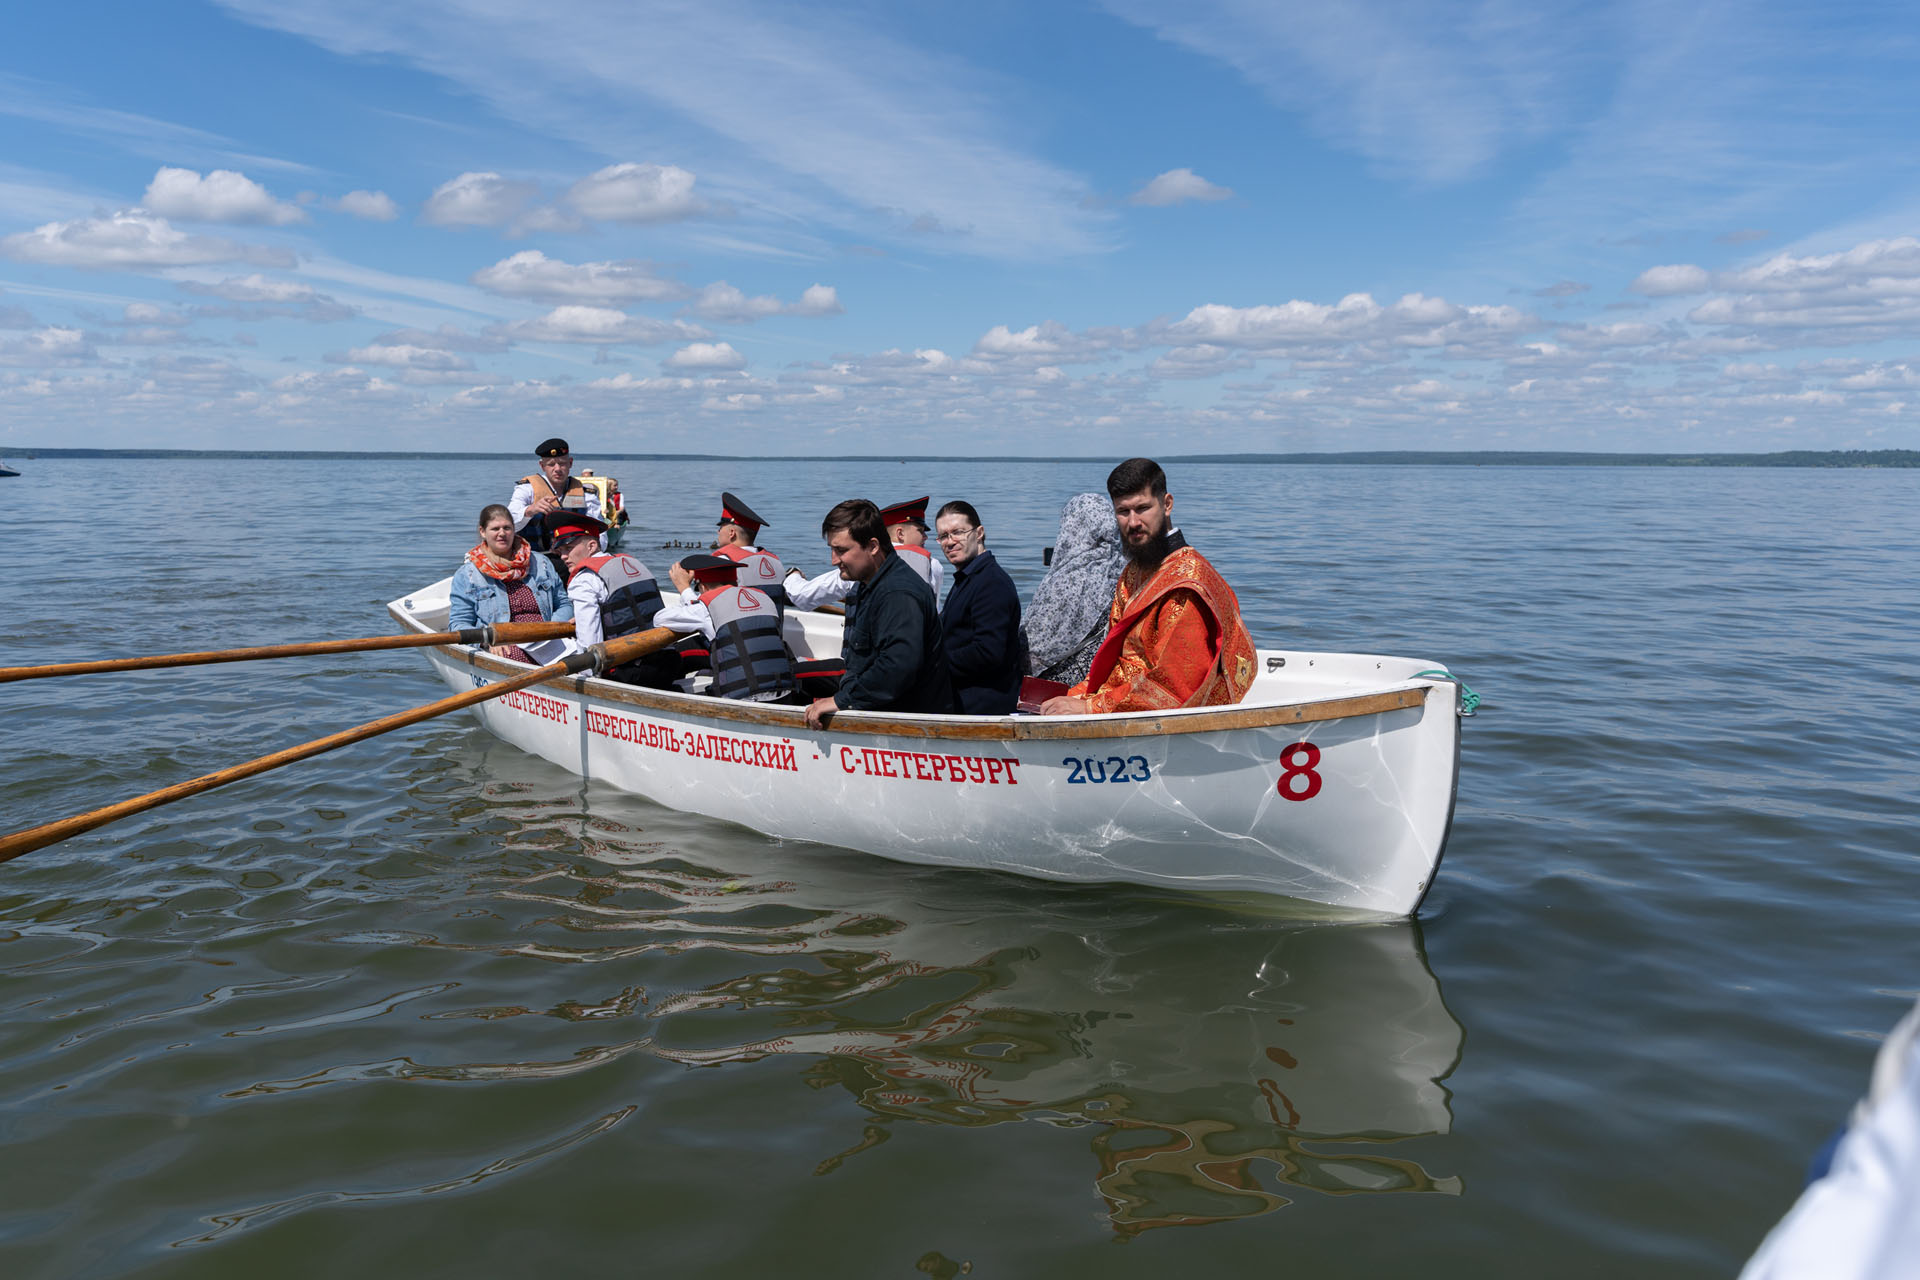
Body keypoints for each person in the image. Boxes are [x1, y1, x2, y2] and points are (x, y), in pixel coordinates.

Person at [1040, 459, 1256, 715]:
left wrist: (1089, 706)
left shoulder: (1186, 585)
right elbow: (1114, 660)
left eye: (1142, 508)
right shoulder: (1134, 571)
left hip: (1164, 717)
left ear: (1167, 504)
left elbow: (1175, 686)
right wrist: (1074, 696)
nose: (1133, 522)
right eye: (1123, 511)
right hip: (1123, 702)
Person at [804, 499, 954, 727]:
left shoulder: (898, 594)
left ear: (873, 546)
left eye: (841, 550)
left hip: (908, 725)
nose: (834, 560)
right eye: (832, 550)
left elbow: (898, 667)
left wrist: (840, 700)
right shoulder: (870, 584)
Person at [551, 510, 680, 688]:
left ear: (591, 546)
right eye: (560, 551)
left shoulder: (584, 579)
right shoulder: (633, 562)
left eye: (568, 548)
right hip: (669, 662)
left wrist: (588, 681)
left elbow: (589, 641)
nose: (563, 556)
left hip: (629, 673)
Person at [654, 554, 797, 702]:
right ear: (735, 581)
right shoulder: (764, 598)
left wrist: (685, 589)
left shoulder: (705, 608)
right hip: (785, 693)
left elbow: (659, 619)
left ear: (702, 587)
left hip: (743, 698)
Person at [1022, 492, 1127, 688]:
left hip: (1063, 685)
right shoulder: (1125, 570)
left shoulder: (1070, 578)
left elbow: (1037, 648)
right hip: (1103, 675)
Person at [449, 502, 573, 663]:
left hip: (546, 638)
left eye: (507, 528)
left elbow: (564, 604)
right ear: (482, 532)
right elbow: (459, 624)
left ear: (514, 530)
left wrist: (551, 630)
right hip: (504, 644)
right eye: (495, 529)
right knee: (512, 655)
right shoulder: (467, 575)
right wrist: (487, 640)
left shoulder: (541, 562)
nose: (502, 533)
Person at [933, 500, 1023, 715]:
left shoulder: (991, 583)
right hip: (961, 697)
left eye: (958, 532)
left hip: (982, 707)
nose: (950, 542)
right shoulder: (968, 578)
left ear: (979, 533)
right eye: (943, 536)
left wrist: (931, 663)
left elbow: (987, 652)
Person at [509, 437, 602, 560]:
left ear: (570, 463)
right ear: (542, 466)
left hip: (573, 560)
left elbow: (600, 534)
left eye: (562, 463)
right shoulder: (526, 489)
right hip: (534, 559)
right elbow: (509, 524)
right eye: (551, 464)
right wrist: (530, 510)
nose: (557, 469)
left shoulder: (587, 495)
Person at [879, 495, 945, 596]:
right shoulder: (932, 565)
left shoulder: (867, 559)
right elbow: (934, 604)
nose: (925, 537)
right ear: (900, 534)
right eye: (921, 531)